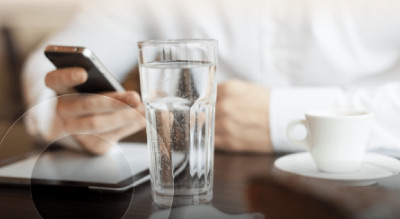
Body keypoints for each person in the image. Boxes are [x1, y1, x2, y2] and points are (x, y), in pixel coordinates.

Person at [22, 0, 400, 155]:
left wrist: (279, 117)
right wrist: (63, 113)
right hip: (200, 184)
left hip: (372, 178)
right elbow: (54, 60)